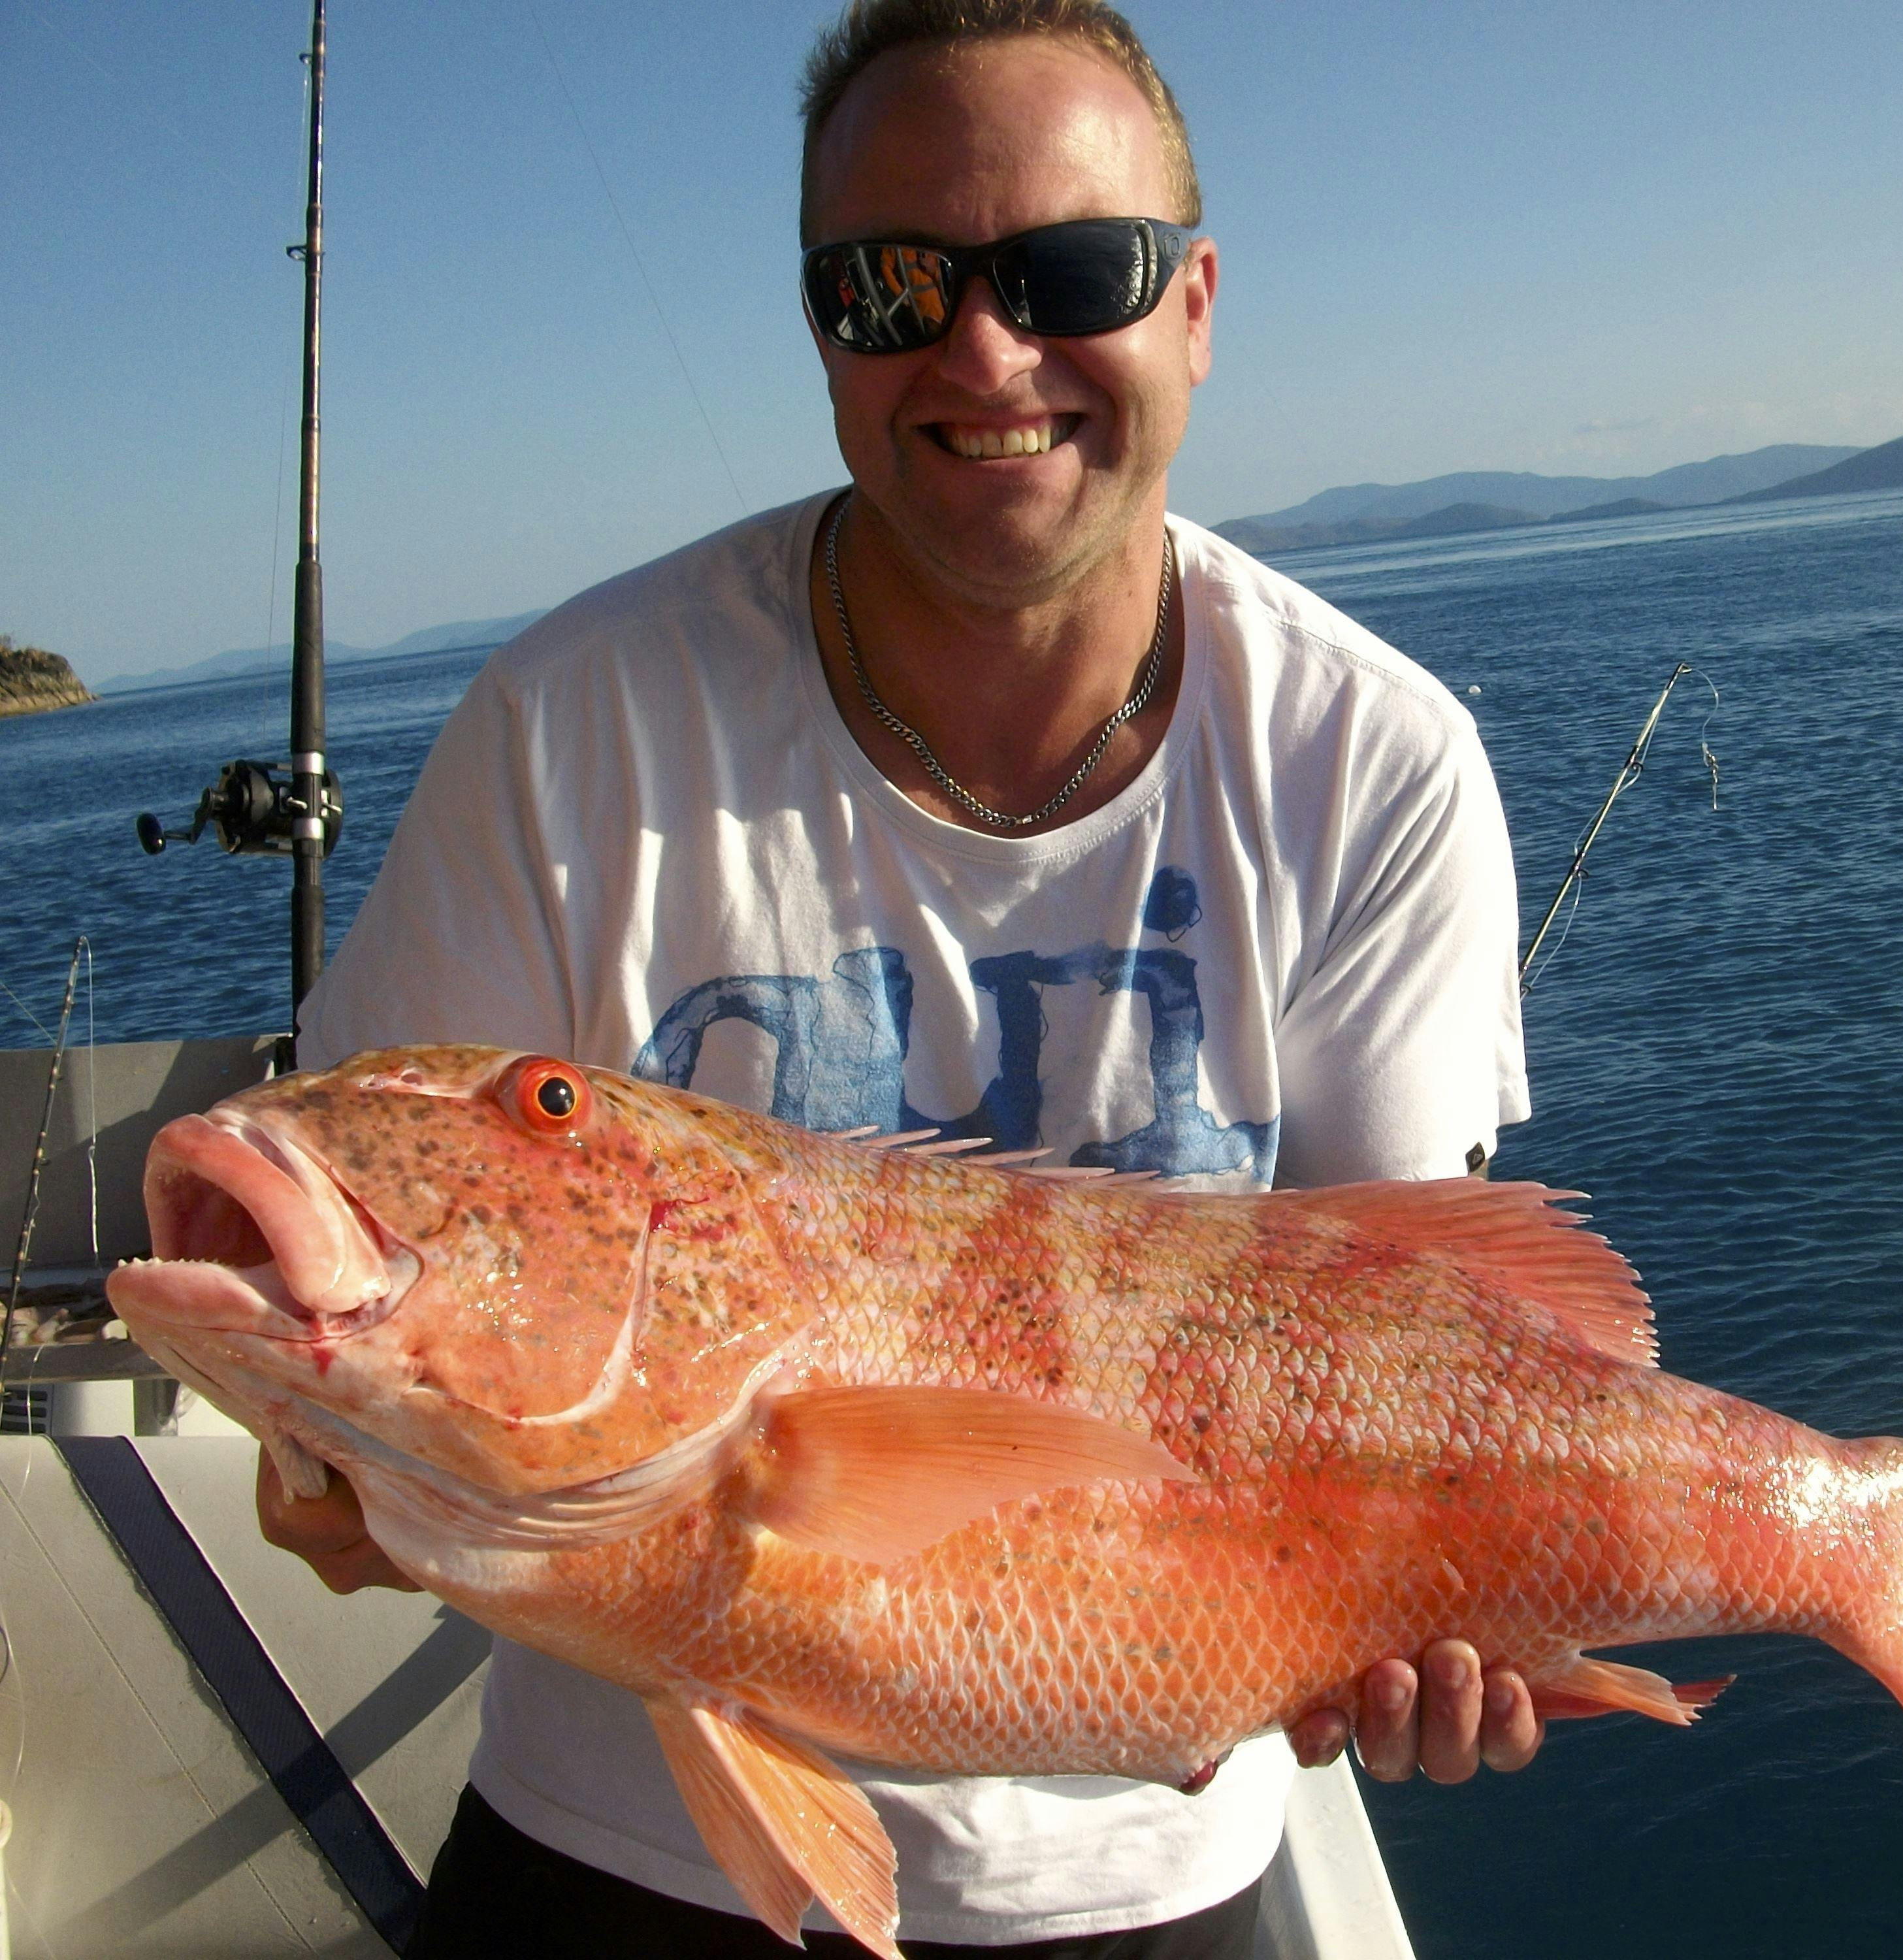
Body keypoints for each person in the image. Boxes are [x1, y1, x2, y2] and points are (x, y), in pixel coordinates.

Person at [263, 2, 1538, 1953]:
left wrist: (1449, 1627)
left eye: (1072, 274)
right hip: (616, 1859)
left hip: (1154, 1872)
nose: (984, 352)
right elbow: (354, 1226)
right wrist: (336, 1457)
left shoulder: (1372, 758)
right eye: (890, 286)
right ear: (821, 328)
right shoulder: (565, 731)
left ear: (1195, 305)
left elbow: (1425, 1331)